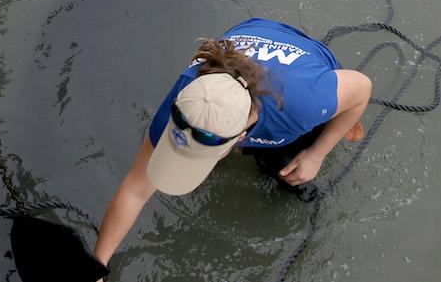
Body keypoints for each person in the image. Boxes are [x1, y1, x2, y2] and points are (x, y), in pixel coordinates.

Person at [93, 18, 372, 267]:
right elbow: (134, 190)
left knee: (289, 166)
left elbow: (362, 87)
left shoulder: (302, 104)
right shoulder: (188, 97)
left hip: (304, 71)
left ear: (240, 138)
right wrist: (97, 265)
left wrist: (317, 154)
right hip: (252, 35)